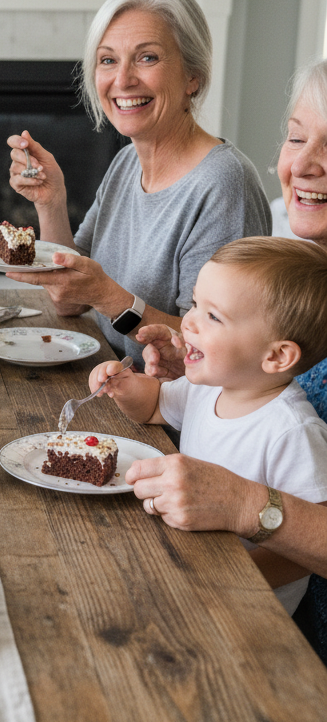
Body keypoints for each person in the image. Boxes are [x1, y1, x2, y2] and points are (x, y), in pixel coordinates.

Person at [129, 58, 327, 657]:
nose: (305, 164)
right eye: (297, 137)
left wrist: (245, 504)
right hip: (209, 581)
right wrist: (186, 352)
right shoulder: (289, 261)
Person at [5, 0, 271, 363]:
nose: (123, 79)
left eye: (147, 58)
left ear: (193, 77)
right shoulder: (126, 162)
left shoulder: (223, 185)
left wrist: (108, 297)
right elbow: (69, 300)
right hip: (107, 381)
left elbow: (218, 352)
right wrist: (51, 200)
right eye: (108, 60)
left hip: (172, 417)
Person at [89, 237, 327, 614]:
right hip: (191, 568)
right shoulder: (209, 387)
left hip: (248, 611)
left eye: (213, 316)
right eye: (196, 303)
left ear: (277, 355)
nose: (189, 321)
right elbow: (153, 407)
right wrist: (124, 387)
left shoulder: (292, 431)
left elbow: (308, 551)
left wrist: (232, 576)